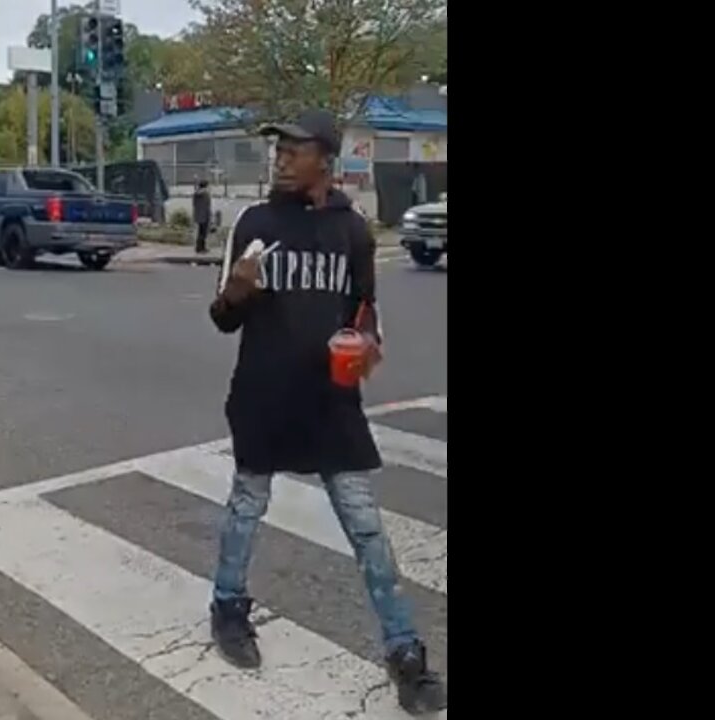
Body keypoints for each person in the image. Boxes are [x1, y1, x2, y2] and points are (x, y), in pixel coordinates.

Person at [206, 109, 446, 714]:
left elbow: (365, 314)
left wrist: (368, 347)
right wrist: (236, 289)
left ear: (325, 160)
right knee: (246, 507)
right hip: (263, 395)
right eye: (277, 149)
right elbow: (222, 316)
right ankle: (228, 607)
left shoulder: (353, 232)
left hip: (332, 404)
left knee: (366, 527)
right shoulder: (254, 223)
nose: (280, 158)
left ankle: (405, 653)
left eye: (294, 149)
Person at [192, 180, 212, 254]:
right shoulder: (206, 194)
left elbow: (194, 204)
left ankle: (199, 247)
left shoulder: (196, 194)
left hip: (198, 215)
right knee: (203, 233)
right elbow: (207, 206)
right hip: (204, 216)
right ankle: (201, 248)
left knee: (200, 232)